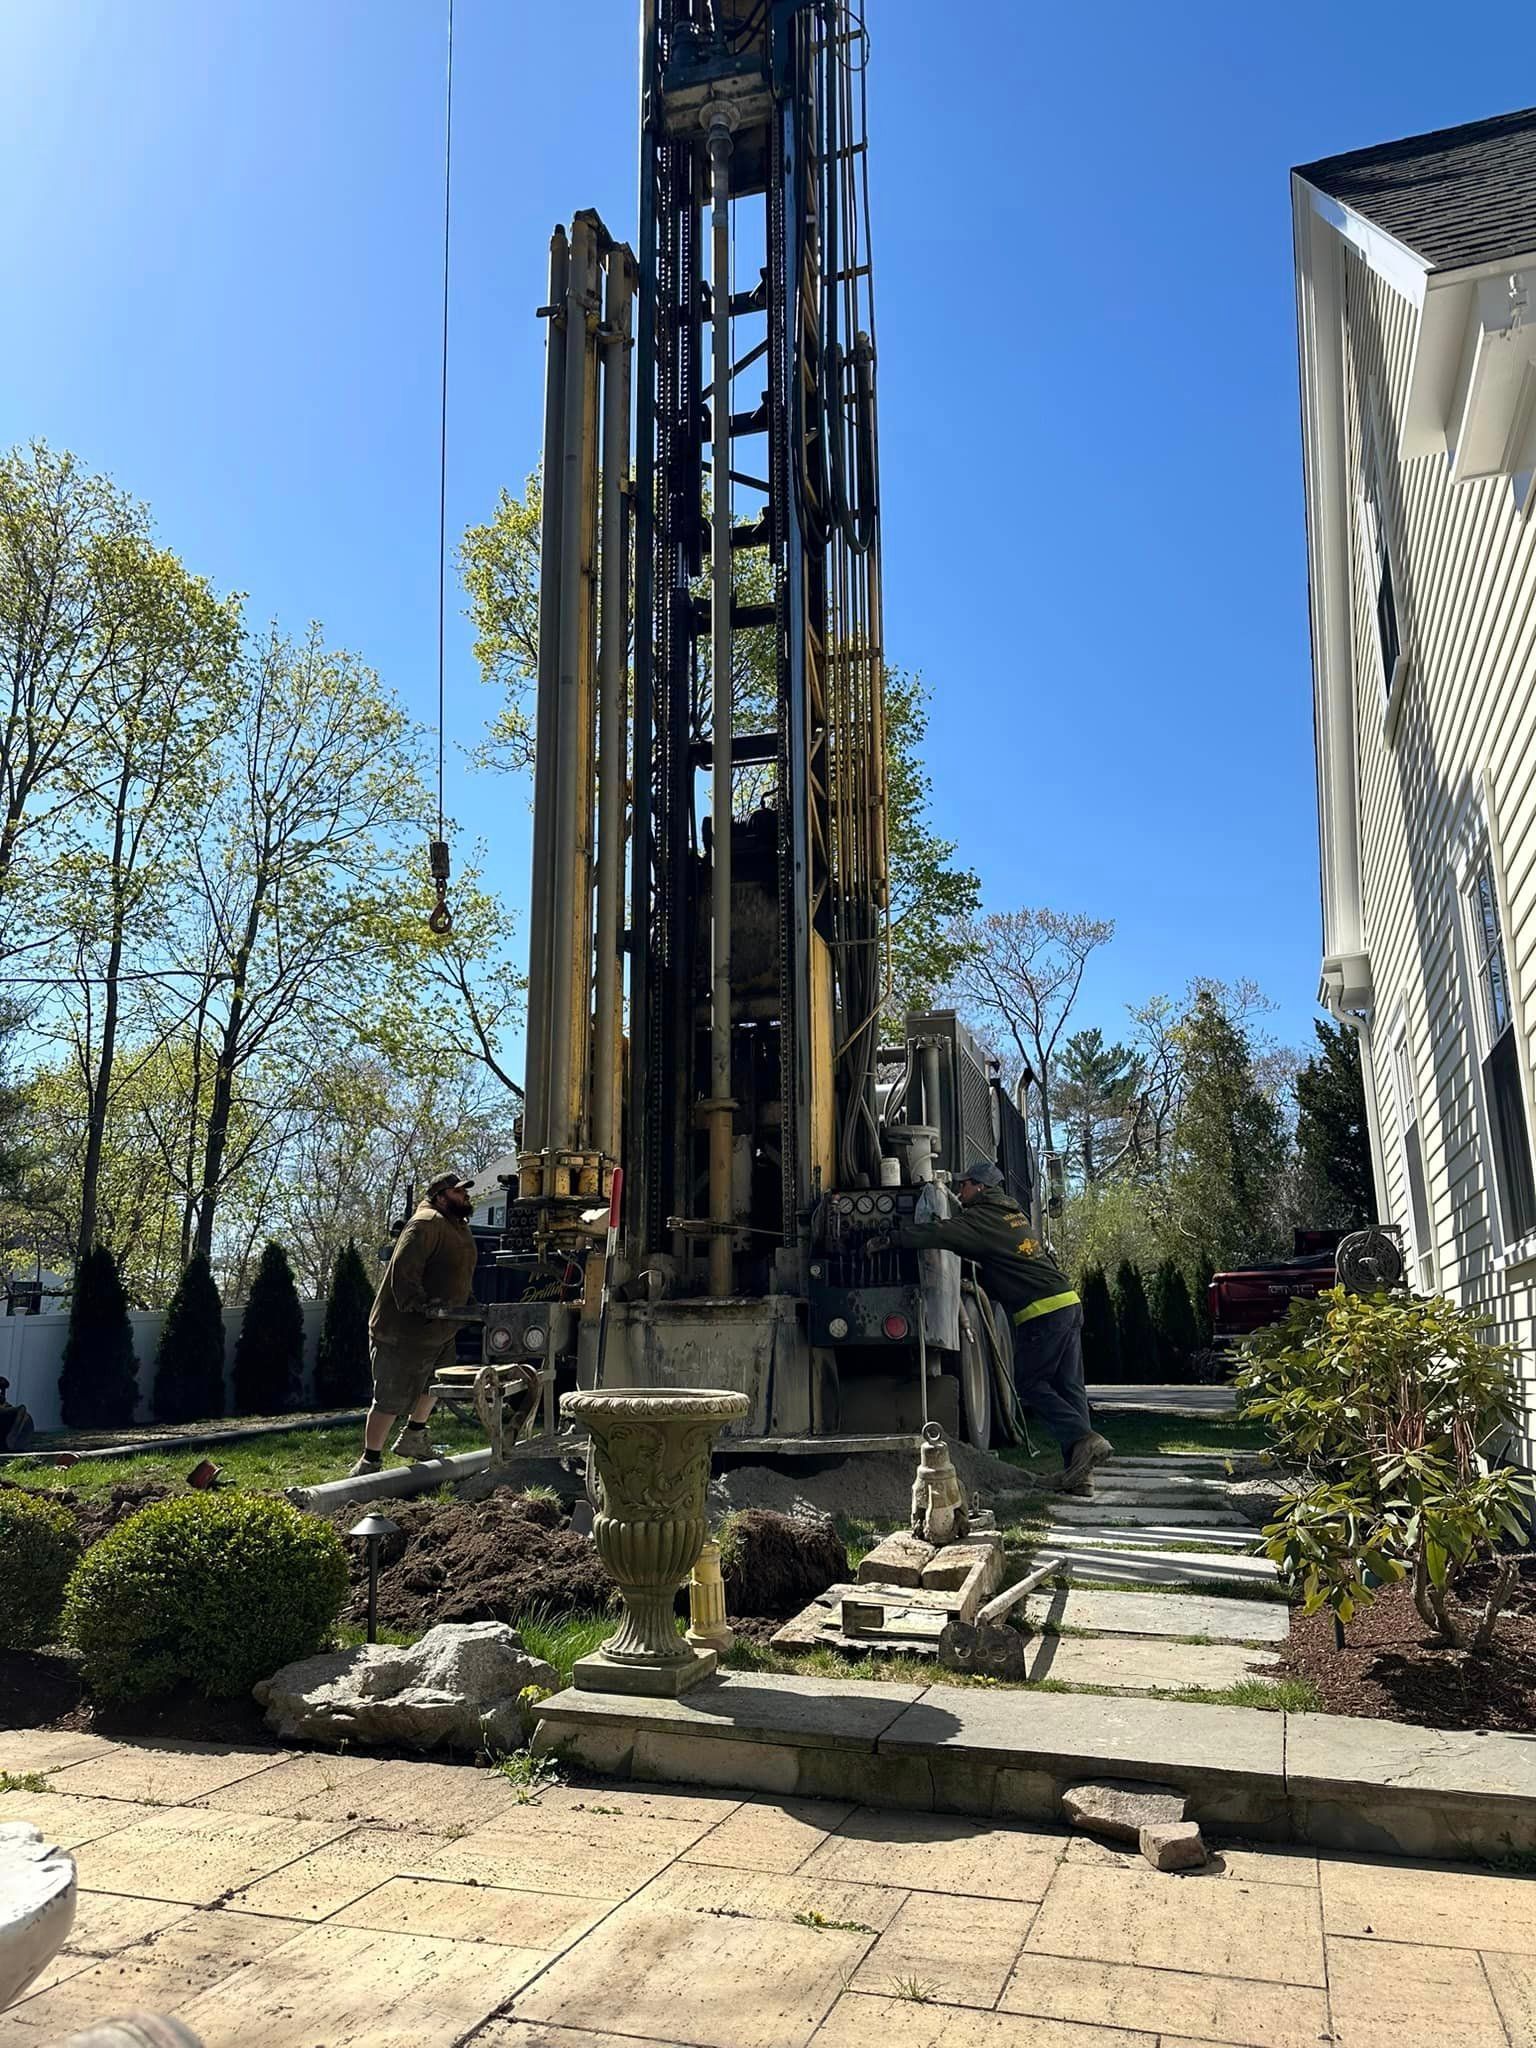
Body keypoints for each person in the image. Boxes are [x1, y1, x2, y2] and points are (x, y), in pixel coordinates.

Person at [889, 1159, 1112, 1494]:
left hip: (1043, 1311)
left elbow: (941, 1233)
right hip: (1066, 1302)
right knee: (1069, 1388)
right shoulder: (1014, 1214)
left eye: (964, 1185)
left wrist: (893, 1238)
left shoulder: (982, 1219)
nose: (959, 1191)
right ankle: (1079, 1476)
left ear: (980, 1187)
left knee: (1029, 1382)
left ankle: (1085, 1440)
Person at [349, 1171, 480, 1479]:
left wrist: (467, 1305)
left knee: (433, 1385)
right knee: (390, 1398)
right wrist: (420, 1305)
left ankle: (413, 1438)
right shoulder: (425, 1223)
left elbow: (458, 1274)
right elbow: (404, 1272)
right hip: (404, 1331)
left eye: (465, 1193)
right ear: (440, 1196)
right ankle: (369, 1461)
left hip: (441, 1327)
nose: (465, 1197)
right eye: (459, 1193)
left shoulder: (456, 1226)